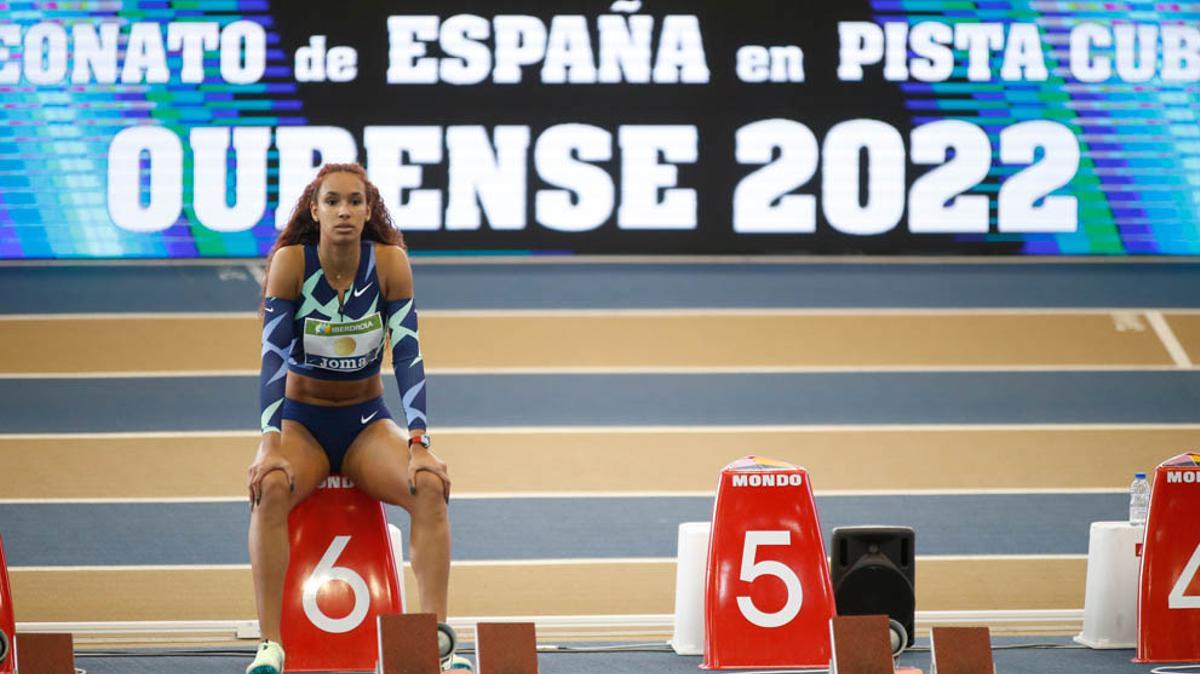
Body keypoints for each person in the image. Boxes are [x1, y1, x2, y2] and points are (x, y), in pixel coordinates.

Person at [245, 163, 471, 673]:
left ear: (369, 211)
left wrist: (418, 441)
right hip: (302, 423)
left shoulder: (389, 264)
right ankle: (271, 646)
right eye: (332, 201)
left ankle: (433, 640)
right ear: (314, 209)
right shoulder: (291, 264)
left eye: (354, 201)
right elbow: (272, 358)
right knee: (271, 486)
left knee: (431, 485)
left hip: (366, 421)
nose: (343, 211)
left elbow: (408, 355)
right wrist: (269, 441)